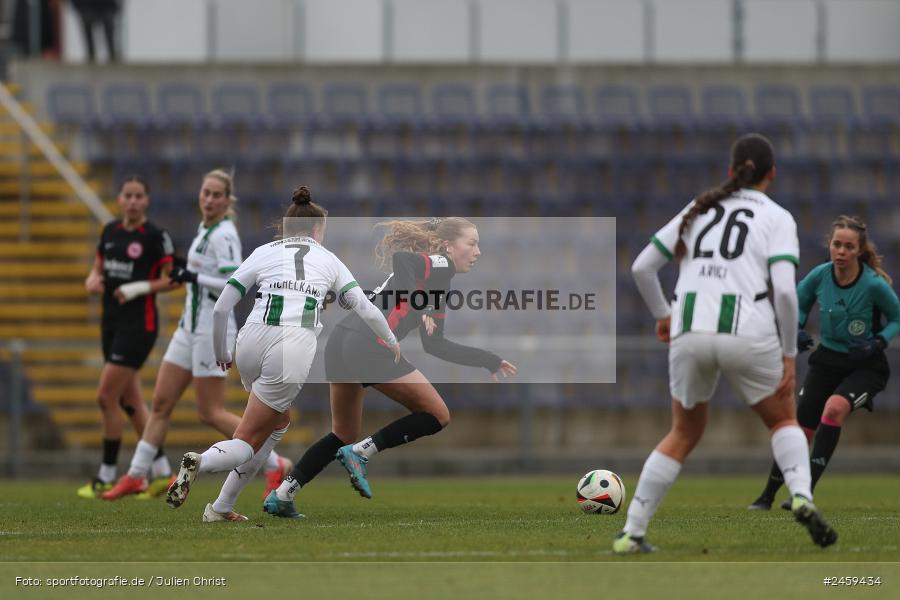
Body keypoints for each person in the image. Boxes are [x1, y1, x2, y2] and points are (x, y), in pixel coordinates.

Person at [615, 133, 837, 554]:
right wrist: (790, 354)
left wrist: (663, 316)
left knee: (683, 431)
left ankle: (633, 532)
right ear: (772, 174)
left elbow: (642, 267)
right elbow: (786, 294)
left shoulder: (698, 207)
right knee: (782, 420)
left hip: (689, 328)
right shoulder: (776, 216)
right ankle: (802, 497)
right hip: (748, 330)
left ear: (731, 171)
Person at [165, 186, 400, 522]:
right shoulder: (329, 259)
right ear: (319, 230)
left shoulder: (264, 251)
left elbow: (221, 308)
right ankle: (201, 462)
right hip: (291, 348)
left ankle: (221, 508)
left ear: (286, 229)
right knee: (249, 439)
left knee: (277, 422)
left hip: (249, 339)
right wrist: (390, 339)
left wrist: (221, 352)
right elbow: (365, 307)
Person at [264, 217, 518, 519]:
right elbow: (403, 261)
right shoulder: (440, 264)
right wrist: (417, 303)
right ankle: (362, 452)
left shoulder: (439, 282)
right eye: (472, 243)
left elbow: (435, 343)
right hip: (368, 343)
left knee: (342, 433)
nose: (477, 252)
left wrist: (487, 359)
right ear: (449, 246)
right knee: (438, 415)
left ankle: (283, 494)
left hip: (343, 340)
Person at [102, 169, 291, 503]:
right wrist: (186, 272)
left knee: (210, 411)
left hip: (211, 328)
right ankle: (135, 476)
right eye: (206, 192)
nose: (209, 199)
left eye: (217, 194)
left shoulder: (225, 233)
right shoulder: (206, 228)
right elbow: (201, 274)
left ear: (226, 200)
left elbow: (234, 282)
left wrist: (192, 275)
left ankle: (274, 463)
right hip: (188, 327)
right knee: (161, 403)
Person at [748, 215, 900, 511]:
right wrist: (799, 329)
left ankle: (803, 494)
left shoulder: (873, 284)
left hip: (866, 367)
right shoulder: (819, 275)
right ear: (829, 246)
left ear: (859, 250)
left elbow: (897, 317)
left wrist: (878, 342)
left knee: (833, 408)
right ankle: (766, 496)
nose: (841, 251)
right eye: (837, 245)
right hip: (827, 361)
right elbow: (798, 304)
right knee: (798, 427)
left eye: (848, 246)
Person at [79, 176, 177, 499]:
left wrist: (140, 288)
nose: (133, 201)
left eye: (139, 195)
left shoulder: (155, 236)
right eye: (128, 195)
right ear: (120, 199)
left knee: (105, 397)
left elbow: (172, 279)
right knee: (130, 401)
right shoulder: (110, 232)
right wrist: (92, 280)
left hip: (140, 326)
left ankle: (106, 474)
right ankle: (162, 472)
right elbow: (97, 268)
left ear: (146, 201)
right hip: (111, 324)